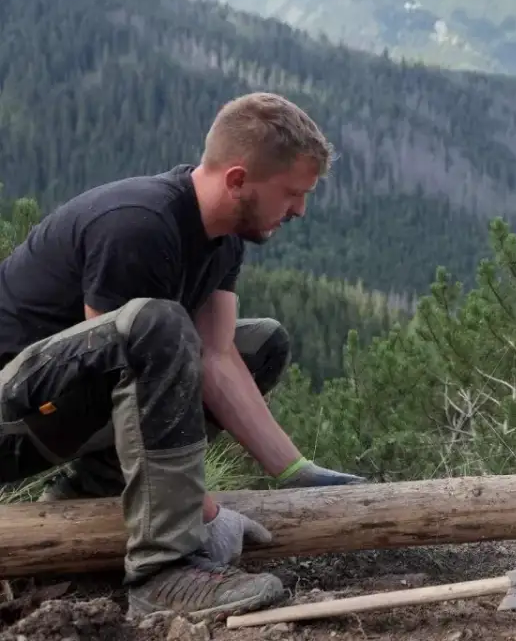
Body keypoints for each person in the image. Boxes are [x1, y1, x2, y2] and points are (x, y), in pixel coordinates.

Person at [0, 92, 365, 620]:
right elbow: (113, 364)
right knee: (157, 327)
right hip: (13, 424)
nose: (299, 210)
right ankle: (164, 570)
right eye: (291, 194)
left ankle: (92, 497)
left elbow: (217, 356)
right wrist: (206, 513)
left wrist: (298, 472)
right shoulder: (137, 225)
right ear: (237, 180)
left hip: (61, 411)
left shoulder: (224, 239)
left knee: (260, 345)